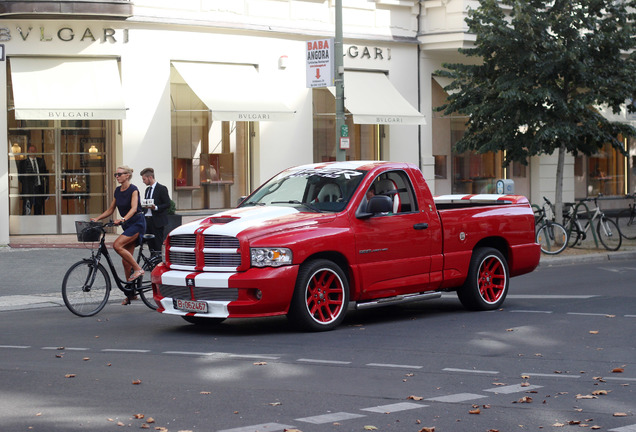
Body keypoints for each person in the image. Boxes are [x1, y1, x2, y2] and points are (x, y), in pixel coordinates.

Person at [91, 165, 146, 305]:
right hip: (128, 225)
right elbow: (111, 209)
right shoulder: (117, 190)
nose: (117, 176)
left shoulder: (133, 189)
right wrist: (98, 218)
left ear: (127, 175)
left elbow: (134, 208)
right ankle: (131, 294)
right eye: (116, 174)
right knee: (125, 262)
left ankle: (139, 269)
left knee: (117, 245)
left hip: (137, 223)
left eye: (119, 174)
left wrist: (123, 219)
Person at [140, 167, 171, 254]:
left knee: (158, 244)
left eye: (144, 179)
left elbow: (167, 204)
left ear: (150, 177)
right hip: (148, 220)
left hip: (157, 221)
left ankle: (158, 262)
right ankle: (152, 262)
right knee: (150, 244)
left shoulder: (161, 188)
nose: (143, 181)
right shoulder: (147, 190)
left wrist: (156, 207)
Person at [18, 145, 48, 215]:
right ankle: (26, 225)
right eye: (31, 151)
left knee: (38, 211)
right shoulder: (23, 163)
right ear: (28, 152)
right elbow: (20, 177)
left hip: (39, 189)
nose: (33, 152)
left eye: (34, 150)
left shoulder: (41, 161)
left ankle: (37, 225)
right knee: (27, 211)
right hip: (28, 190)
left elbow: (45, 175)